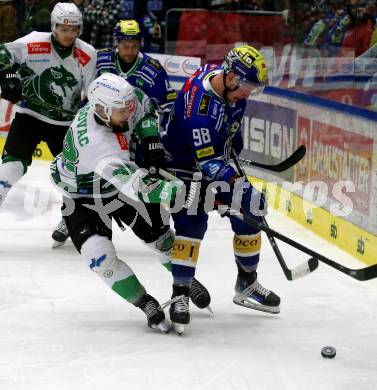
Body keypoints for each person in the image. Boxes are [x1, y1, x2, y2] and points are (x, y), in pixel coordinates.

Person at [50, 73, 210, 332]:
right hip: (83, 196)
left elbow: (145, 109)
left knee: (161, 239)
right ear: (101, 110)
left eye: (128, 108)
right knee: (100, 259)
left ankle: (184, 278)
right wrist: (180, 192)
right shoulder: (96, 142)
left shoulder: (121, 100)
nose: (128, 113)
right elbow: (136, 185)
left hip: (114, 182)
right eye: (121, 111)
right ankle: (145, 302)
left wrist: (149, 139)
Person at [161, 45, 281, 334]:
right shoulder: (199, 108)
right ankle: (180, 293)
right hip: (183, 164)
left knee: (252, 211)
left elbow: (226, 132)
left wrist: (232, 138)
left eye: (254, 87)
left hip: (214, 158)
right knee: (192, 221)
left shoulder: (229, 86)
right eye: (247, 86)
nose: (248, 93)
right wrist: (238, 185)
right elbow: (209, 164)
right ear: (230, 77)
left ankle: (246, 284)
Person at [53, 19, 177, 246]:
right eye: (124, 45)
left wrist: (153, 138)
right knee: (83, 169)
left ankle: (157, 222)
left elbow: (163, 108)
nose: (129, 50)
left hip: (136, 131)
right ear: (116, 43)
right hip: (103, 125)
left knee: (143, 174)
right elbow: (87, 86)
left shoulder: (153, 69)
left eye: (134, 45)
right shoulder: (100, 59)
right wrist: (84, 103)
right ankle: (68, 216)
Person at [0, 3, 96, 225]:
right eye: (64, 29)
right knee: (11, 167)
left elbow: (91, 93)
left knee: (74, 175)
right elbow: (3, 53)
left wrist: (87, 107)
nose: (69, 35)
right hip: (29, 116)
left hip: (65, 124)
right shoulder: (33, 42)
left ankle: (70, 220)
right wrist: (7, 75)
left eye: (74, 29)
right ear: (54, 26)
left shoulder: (87, 54)